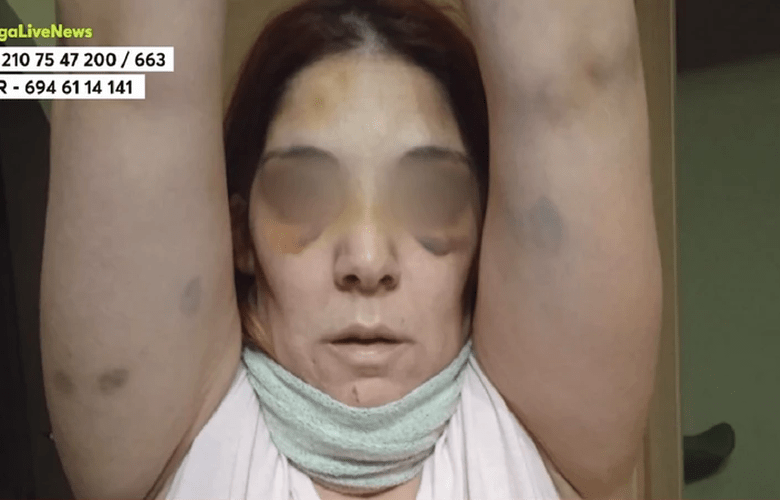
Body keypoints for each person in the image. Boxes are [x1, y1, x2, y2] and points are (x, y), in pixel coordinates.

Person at [41, 0, 662, 498]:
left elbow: (577, 72)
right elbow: (116, 71)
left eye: (432, 195)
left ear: (490, 234)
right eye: (303, 192)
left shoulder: (546, 439)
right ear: (241, 235)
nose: (367, 261)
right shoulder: (173, 449)